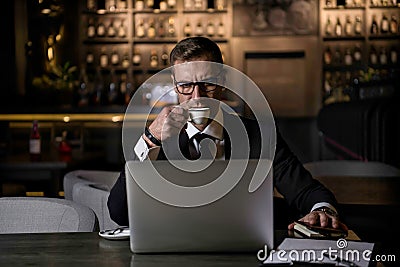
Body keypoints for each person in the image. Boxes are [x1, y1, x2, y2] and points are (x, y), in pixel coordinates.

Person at [107, 36, 348, 232]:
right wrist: (151, 138)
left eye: (207, 83)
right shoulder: (157, 138)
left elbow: (308, 192)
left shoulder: (258, 135)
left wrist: (323, 211)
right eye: (186, 86)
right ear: (174, 85)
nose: (197, 96)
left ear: (222, 81)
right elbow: (119, 211)